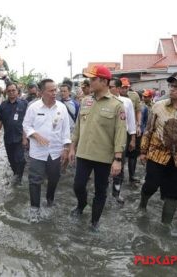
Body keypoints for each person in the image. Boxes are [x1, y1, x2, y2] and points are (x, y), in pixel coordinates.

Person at [68, 65, 127, 231]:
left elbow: (120, 133)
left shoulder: (117, 105)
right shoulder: (85, 101)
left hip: (104, 156)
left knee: (100, 191)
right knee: (78, 186)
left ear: (104, 81)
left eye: (93, 79)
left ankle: (94, 222)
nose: (90, 82)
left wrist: (117, 159)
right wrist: (72, 147)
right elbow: (79, 126)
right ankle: (81, 205)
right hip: (84, 153)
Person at [139, 72, 177, 224]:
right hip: (156, 154)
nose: (172, 89)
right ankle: (142, 205)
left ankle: (165, 225)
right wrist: (143, 151)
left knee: (174, 192)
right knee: (151, 185)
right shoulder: (158, 106)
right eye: (171, 85)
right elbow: (148, 130)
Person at [23, 79, 71, 223]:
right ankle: (35, 208)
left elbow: (66, 130)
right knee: (34, 180)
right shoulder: (33, 107)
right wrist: (35, 135)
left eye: (55, 90)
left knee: (54, 178)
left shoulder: (61, 108)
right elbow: (26, 125)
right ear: (42, 92)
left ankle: (50, 200)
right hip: (38, 152)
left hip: (55, 152)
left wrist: (66, 148)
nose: (54, 93)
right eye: (51, 90)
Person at [109, 77, 136, 204]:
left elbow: (131, 121)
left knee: (119, 163)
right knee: (104, 164)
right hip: (106, 137)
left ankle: (116, 193)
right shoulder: (101, 101)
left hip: (122, 136)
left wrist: (133, 139)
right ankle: (102, 191)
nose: (108, 89)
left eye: (111, 87)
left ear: (119, 88)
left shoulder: (126, 102)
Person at [0, 82, 28, 186]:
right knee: (12, 160)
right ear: (6, 92)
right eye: (9, 91)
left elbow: (28, 122)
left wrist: (25, 138)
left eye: (13, 90)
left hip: (20, 137)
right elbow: (0, 121)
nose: (11, 92)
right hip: (8, 138)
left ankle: (18, 177)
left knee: (21, 159)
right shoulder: (3, 105)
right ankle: (16, 174)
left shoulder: (24, 104)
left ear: (17, 91)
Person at [120, 77, 141, 183]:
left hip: (131, 128)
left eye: (126, 87)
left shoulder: (134, 96)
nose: (124, 89)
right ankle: (119, 176)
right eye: (122, 87)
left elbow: (138, 111)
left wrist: (138, 125)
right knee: (120, 154)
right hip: (120, 129)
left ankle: (132, 176)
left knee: (133, 153)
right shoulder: (114, 97)